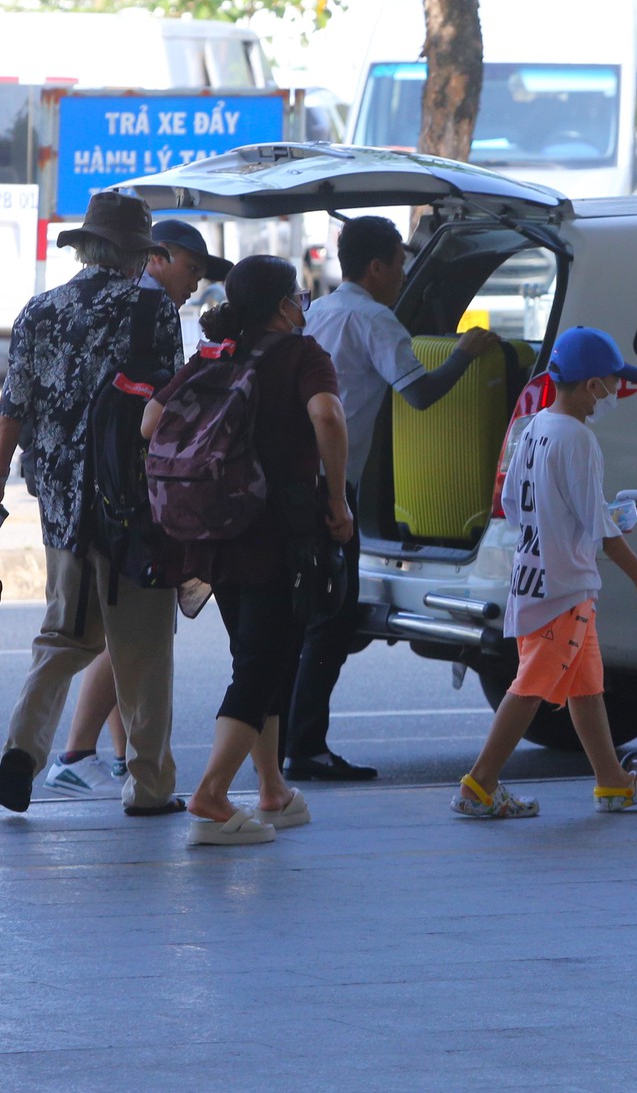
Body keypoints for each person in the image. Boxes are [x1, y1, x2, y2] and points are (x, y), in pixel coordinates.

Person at [0, 190, 185, 817]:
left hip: (64, 509)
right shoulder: (154, 311)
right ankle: (148, 786)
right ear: (134, 255)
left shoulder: (40, 310)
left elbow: (12, 405)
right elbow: (166, 410)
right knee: (142, 651)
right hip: (132, 509)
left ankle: (22, 750)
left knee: (63, 635)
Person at [143, 255, 353, 845]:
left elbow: (149, 421)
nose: (304, 307)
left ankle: (272, 790)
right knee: (263, 667)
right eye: (300, 297)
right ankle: (211, 794)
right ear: (286, 304)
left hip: (215, 532)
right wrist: (337, 502)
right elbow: (328, 416)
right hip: (280, 534)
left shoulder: (215, 354)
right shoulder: (301, 356)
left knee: (258, 659)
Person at [287, 216, 500, 781]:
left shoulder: (322, 310)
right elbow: (421, 393)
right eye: (400, 264)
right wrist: (467, 352)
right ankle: (305, 747)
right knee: (332, 618)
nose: (404, 274)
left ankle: (289, 737)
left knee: (304, 616)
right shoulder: (376, 319)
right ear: (377, 267)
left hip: (294, 477)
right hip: (332, 488)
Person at [452, 327, 637, 819]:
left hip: (537, 575)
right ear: (591, 384)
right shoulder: (578, 437)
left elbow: (516, 505)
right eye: (612, 383)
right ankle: (479, 785)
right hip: (563, 586)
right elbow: (595, 526)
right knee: (531, 685)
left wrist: (575, 520)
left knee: (585, 684)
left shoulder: (533, 427)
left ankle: (613, 781)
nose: (615, 392)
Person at [44, 219, 231, 798]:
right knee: (132, 637)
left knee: (92, 633)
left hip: (72, 498)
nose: (195, 285)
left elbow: (21, 404)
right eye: (192, 270)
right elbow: (152, 417)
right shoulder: (145, 312)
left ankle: (103, 757)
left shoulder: (54, 307)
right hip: (123, 498)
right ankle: (90, 759)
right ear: (156, 257)